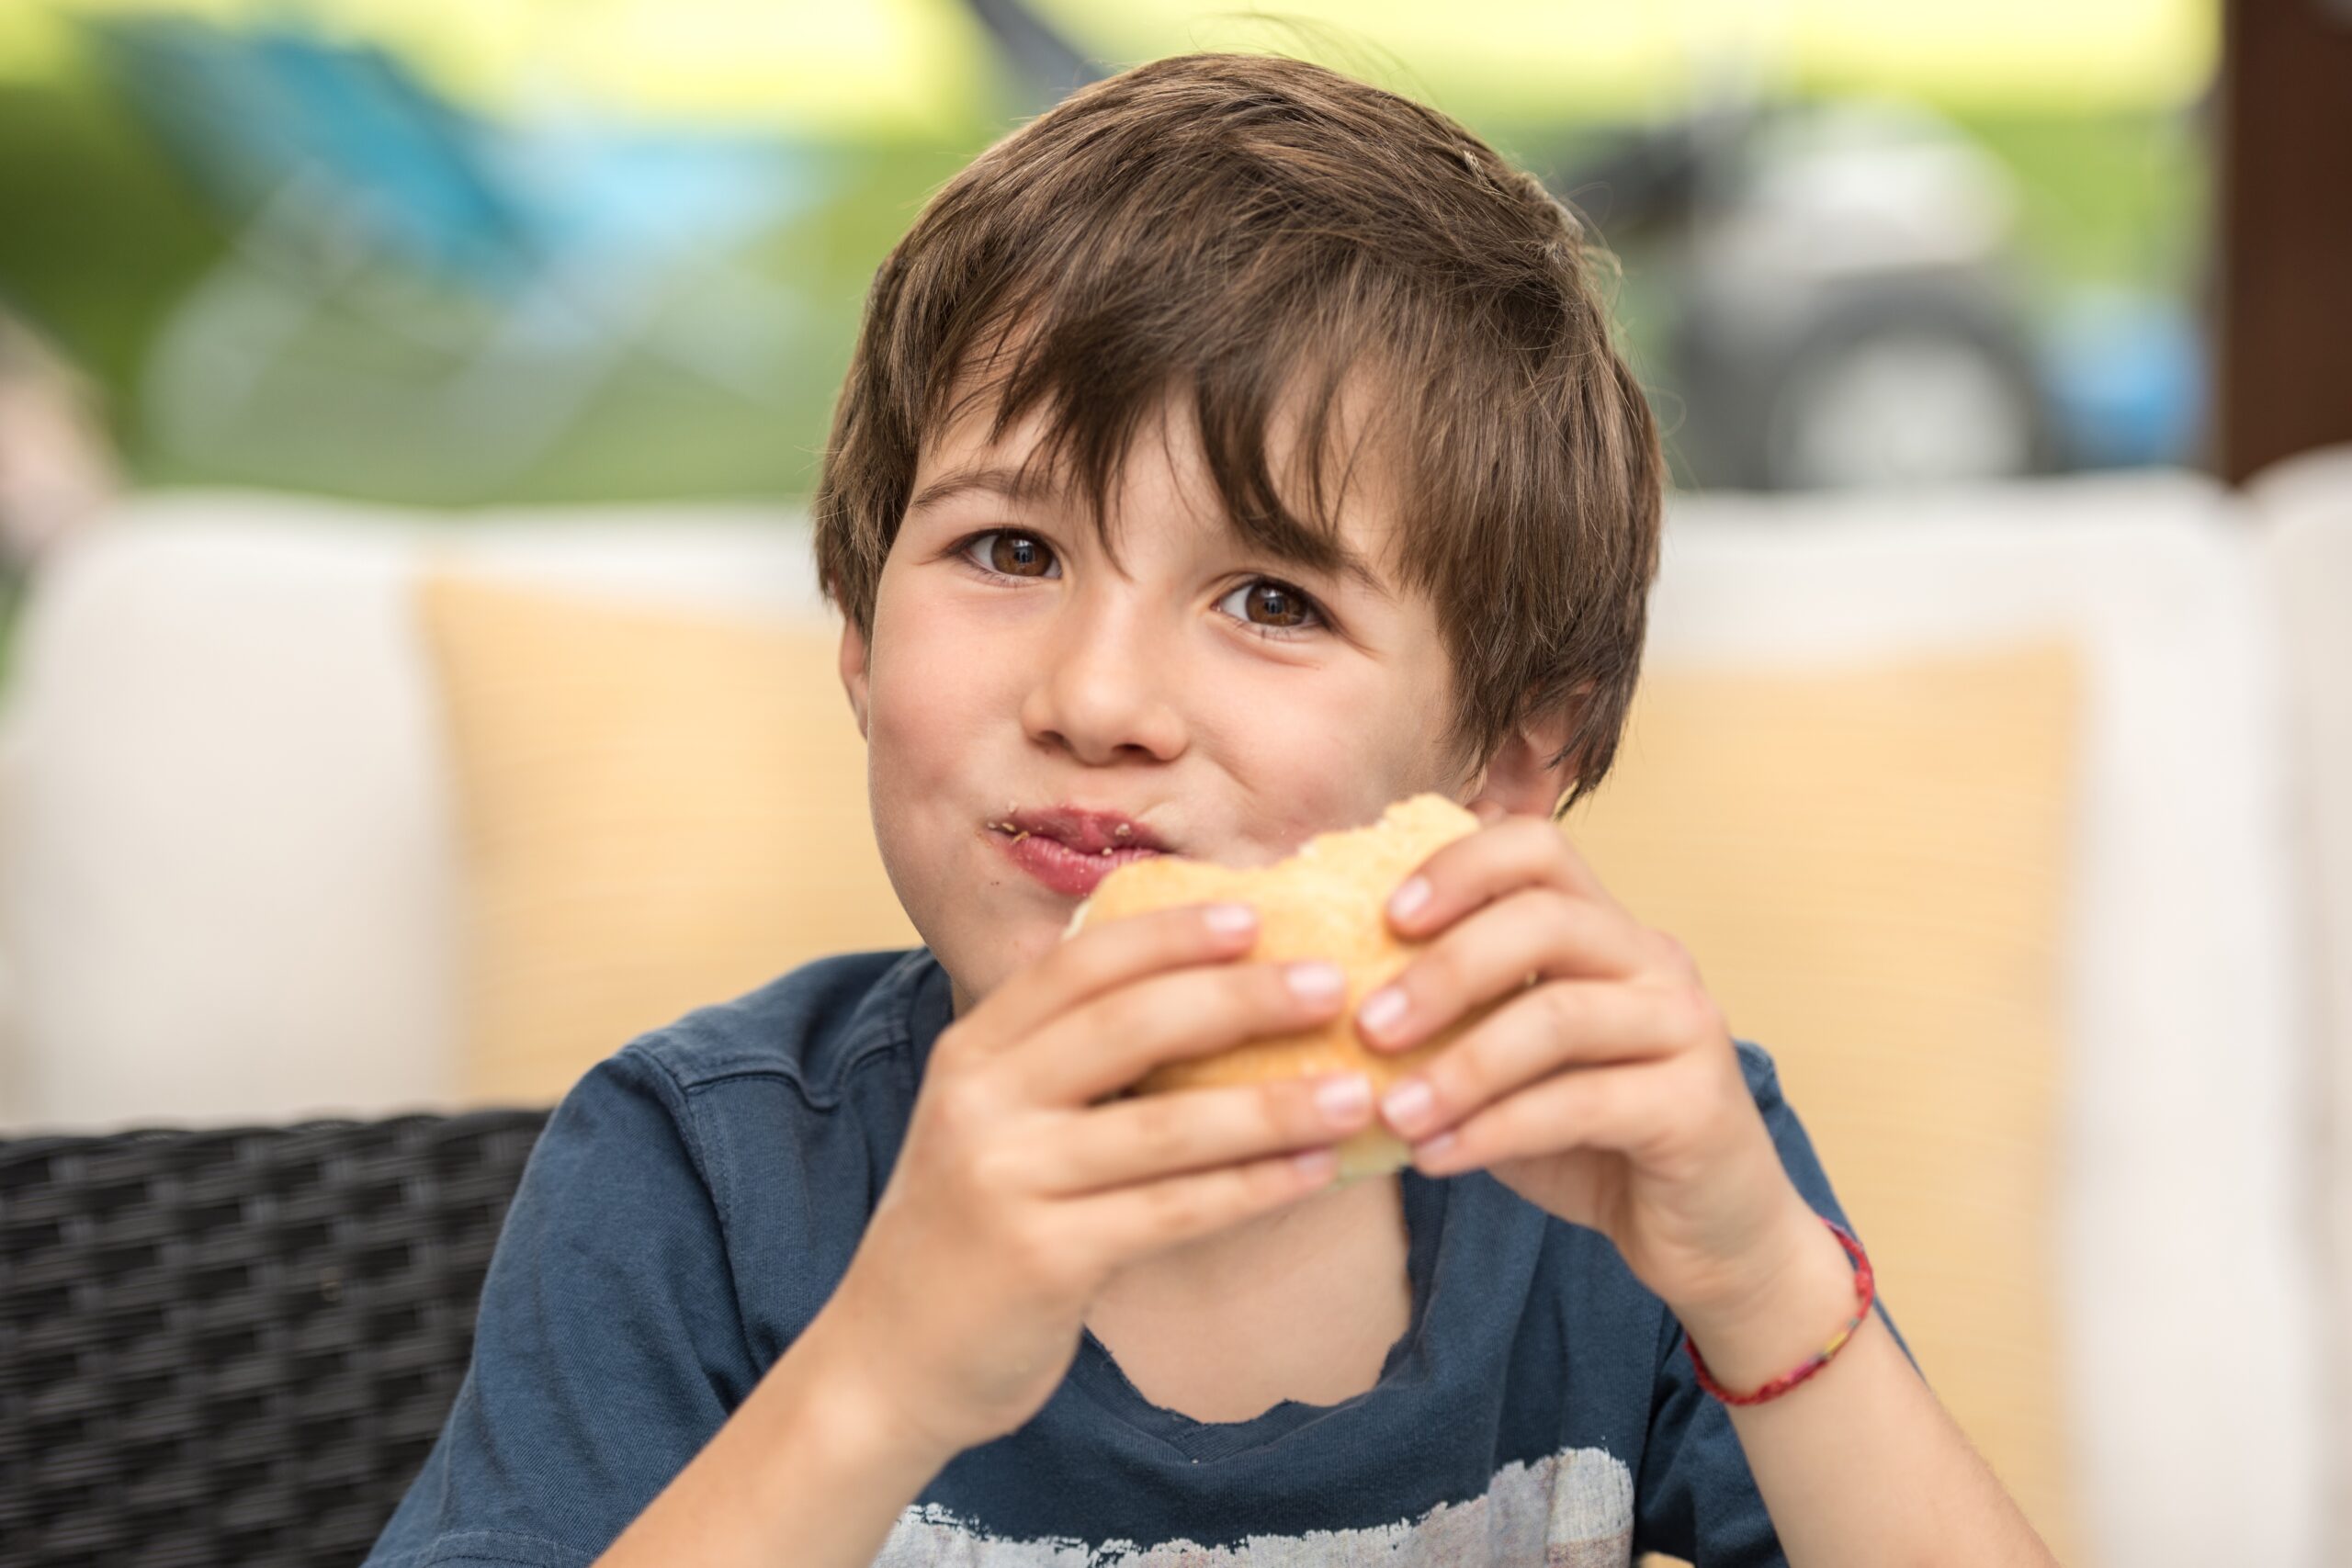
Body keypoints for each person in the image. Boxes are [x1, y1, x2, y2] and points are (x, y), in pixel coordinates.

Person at [363, 53, 2054, 1568]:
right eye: (1009, 551)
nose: (1096, 700)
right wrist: (878, 1375)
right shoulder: (705, 1179)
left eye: (1271, 600)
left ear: (1506, 762)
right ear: (861, 636)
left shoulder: (1623, 1175)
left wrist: (1765, 1284)